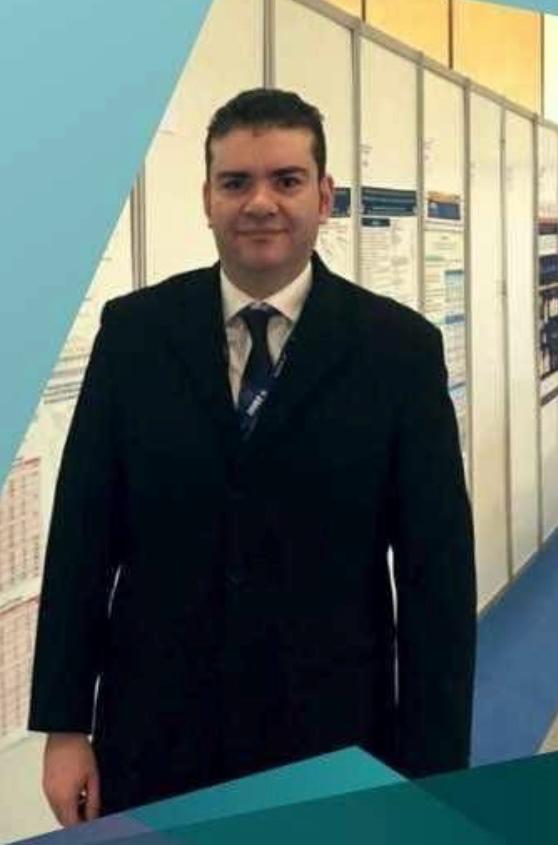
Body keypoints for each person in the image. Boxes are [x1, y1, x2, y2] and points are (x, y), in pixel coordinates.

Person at [28, 88, 476, 825]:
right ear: (207, 198)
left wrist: (434, 774)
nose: (260, 203)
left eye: (286, 180)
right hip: (155, 735)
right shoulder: (135, 334)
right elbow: (83, 537)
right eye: (235, 182)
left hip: (331, 736)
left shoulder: (398, 350)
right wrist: (64, 724)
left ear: (324, 196)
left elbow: (438, 580)